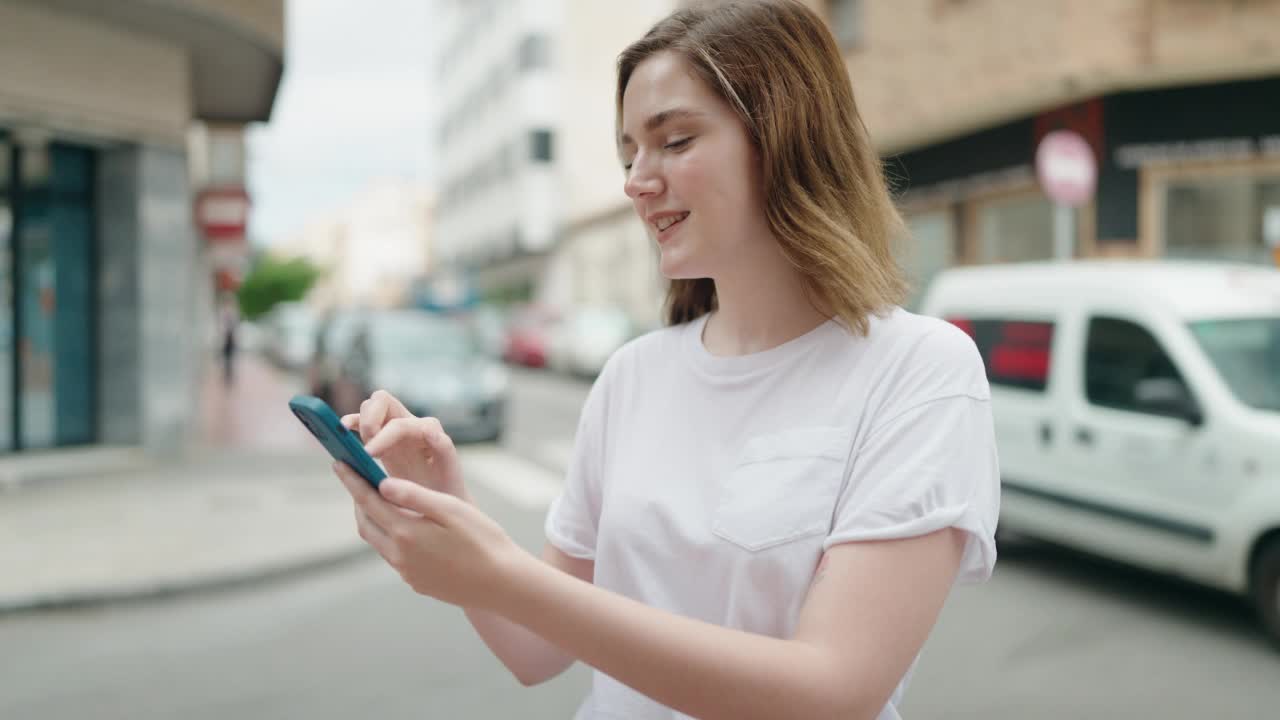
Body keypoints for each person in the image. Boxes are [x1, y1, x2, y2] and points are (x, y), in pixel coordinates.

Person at [332, 2, 1000, 718]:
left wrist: (502, 574)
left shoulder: (919, 371)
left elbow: (830, 692)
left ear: (786, 137)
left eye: (674, 140)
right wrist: (446, 512)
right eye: (628, 156)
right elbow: (536, 652)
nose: (636, 181)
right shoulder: (632, 376)